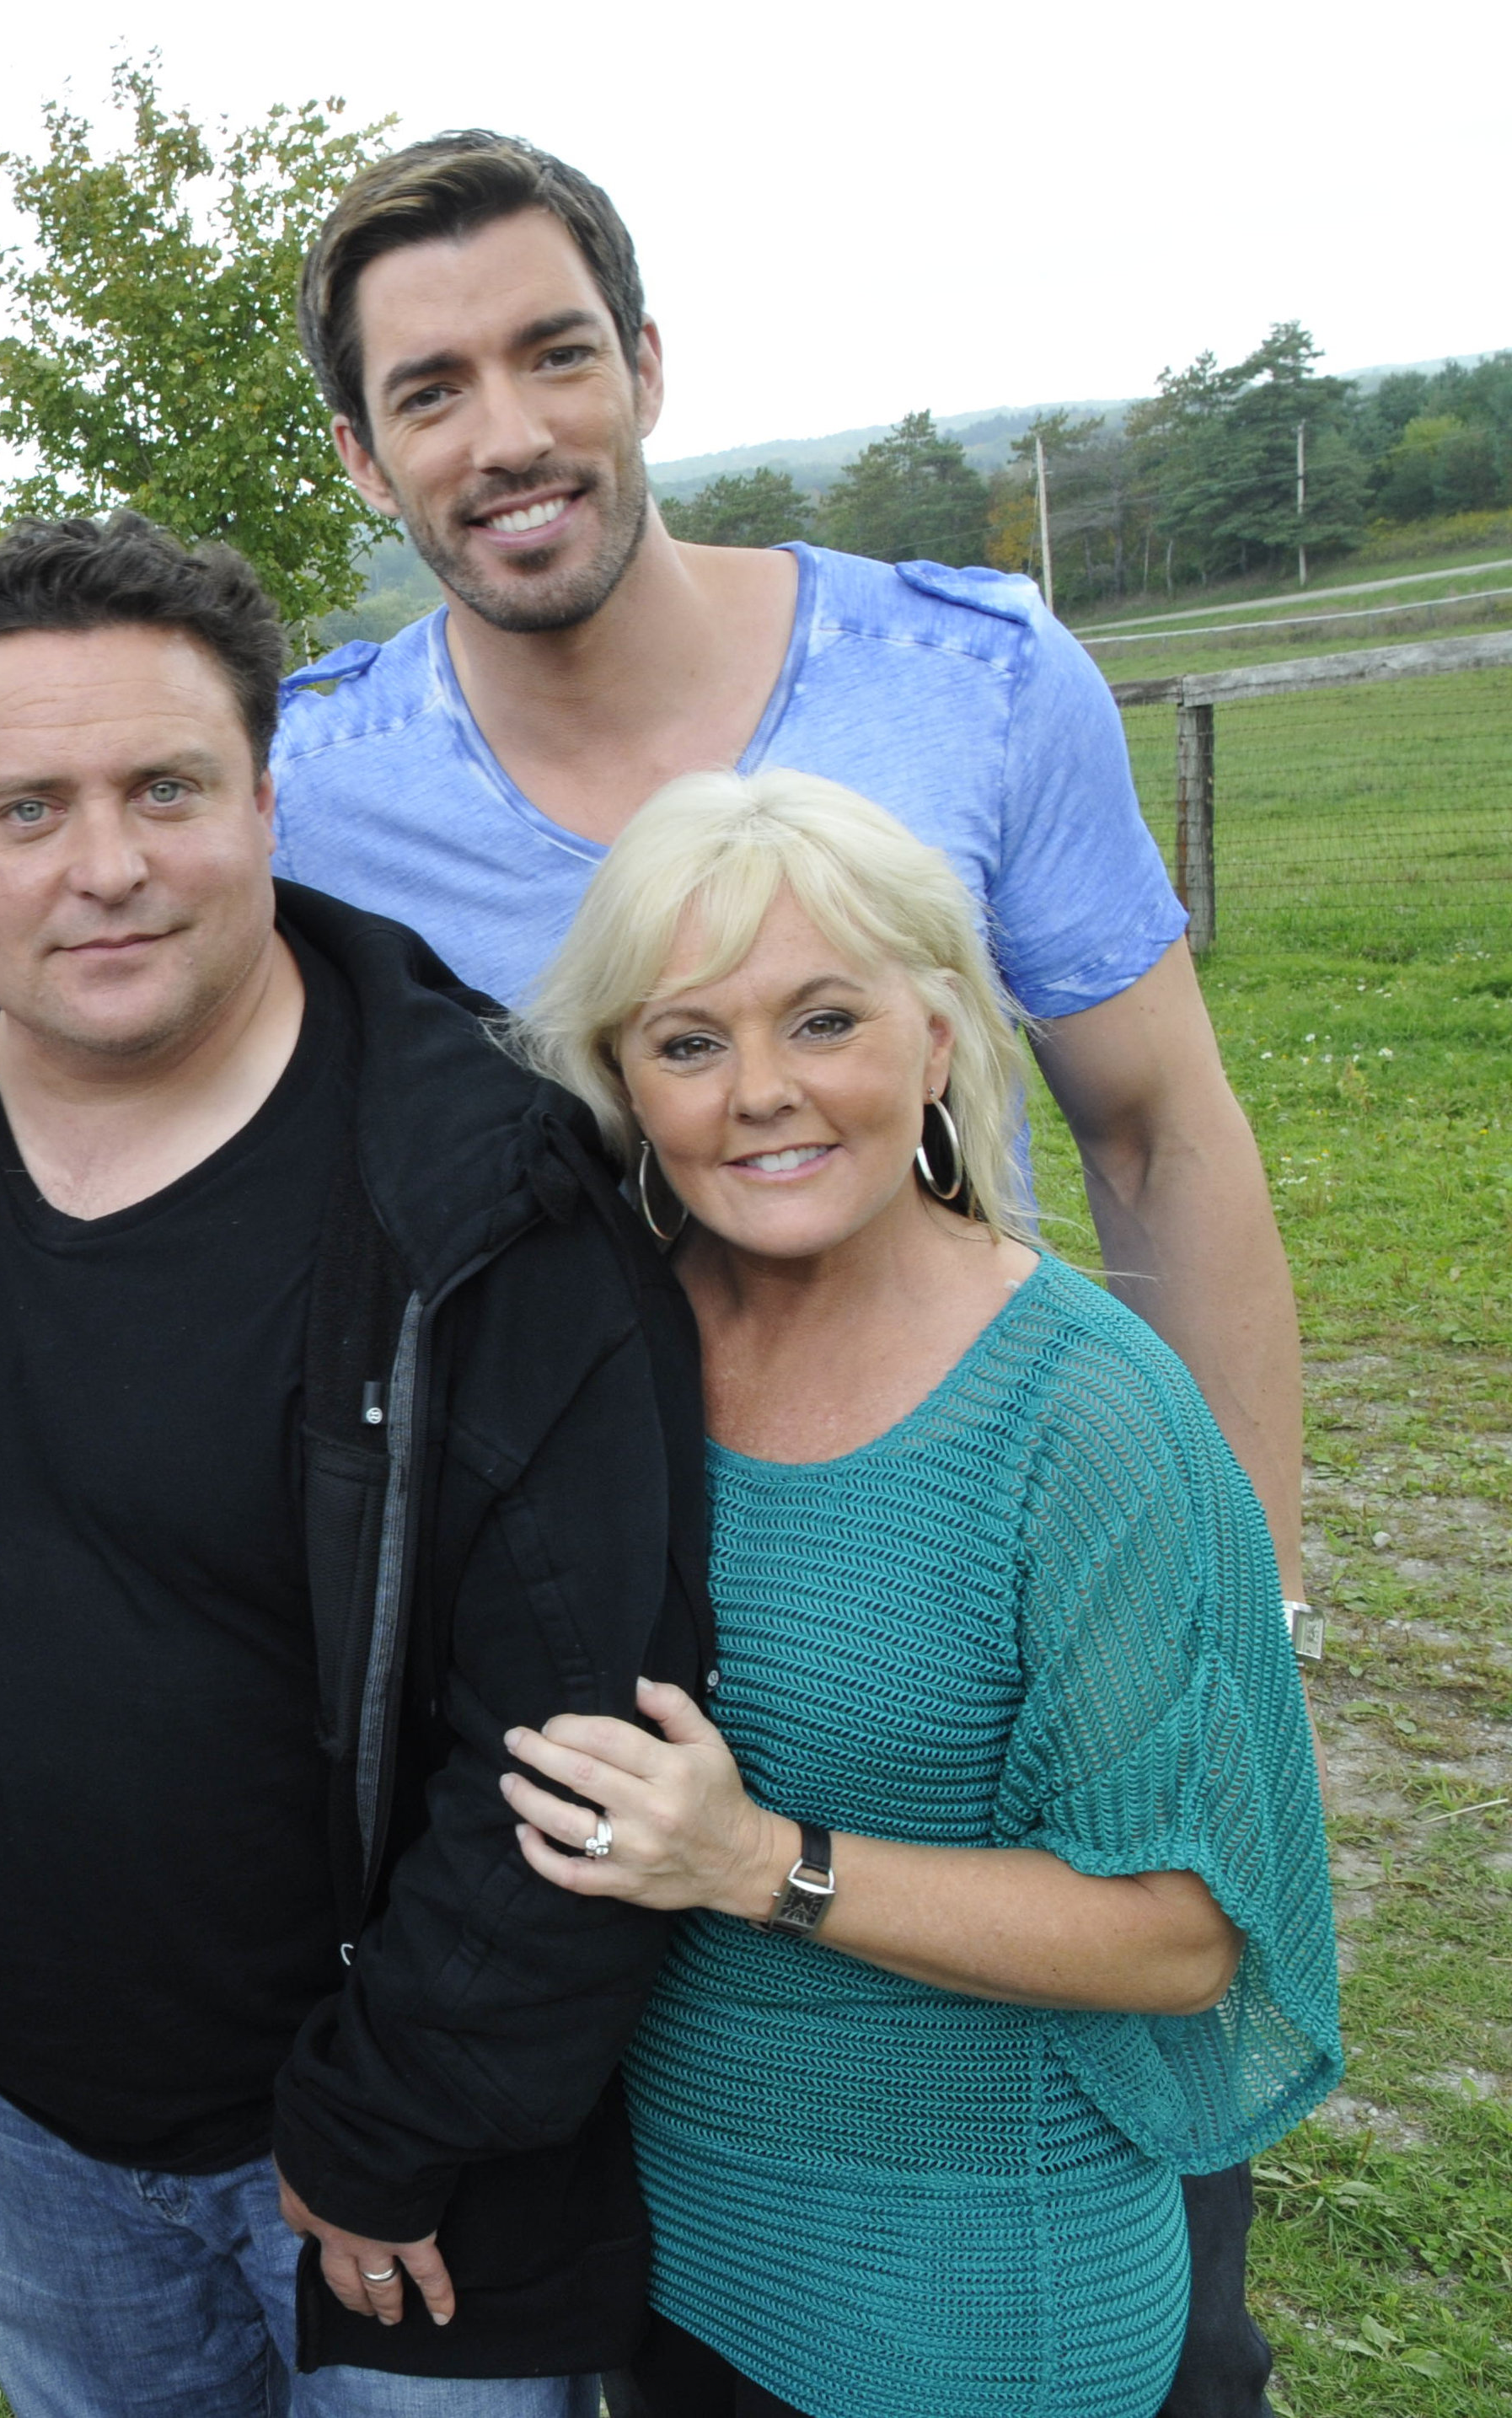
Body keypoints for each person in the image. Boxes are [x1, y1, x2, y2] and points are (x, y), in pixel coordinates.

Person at [265, 137, 1308, 2413]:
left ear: (644, 367)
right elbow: (78, 925)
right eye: (429, 389)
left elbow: (1157, 1120)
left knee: (1101, 2279)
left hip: (971, 1548)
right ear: (364, 453)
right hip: (652, 1595)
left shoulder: (967, 676)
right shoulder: (307, 781)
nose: (507, 430)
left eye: (555, 354)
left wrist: (1243, 1606)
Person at [0, 511, 712, 2416]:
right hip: (26, 2115)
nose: (107, 866)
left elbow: (580, 1734)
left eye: (165, 788)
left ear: (269, 799)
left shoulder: (486, 1194)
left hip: (404, 2177)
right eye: (28, 808)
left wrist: (392, 2119)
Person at [495, 769, 1338, 2418]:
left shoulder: (1082, 1416)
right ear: (618, 1079)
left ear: (938, 1041)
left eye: (825, 1021)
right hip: (663, 2256)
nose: (760, 1094)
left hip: (969, 2303)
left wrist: (759, 1863)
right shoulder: (613, 1353)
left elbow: (1179, 1938)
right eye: (689, 1041)